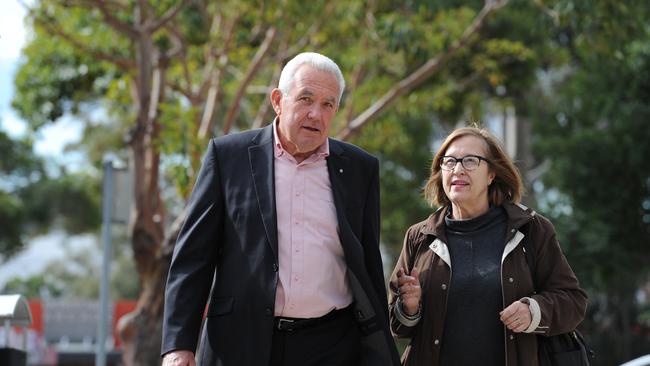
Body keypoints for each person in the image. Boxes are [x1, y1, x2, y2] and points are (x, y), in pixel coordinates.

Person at [161, 52, 400, 366]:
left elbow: (367, 262)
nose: (316, 114)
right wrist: (178, 345)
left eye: (328, 104)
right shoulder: (228, 157)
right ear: (278, 100)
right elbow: (192, 259)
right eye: (306, 99)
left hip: (332, 345)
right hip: (240, 343)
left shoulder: (359, 168)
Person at [388, 126, 588, 366]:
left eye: (470, 161)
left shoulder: (531, 229)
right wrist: (409, 308)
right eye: (449, 161)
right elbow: (396, 326)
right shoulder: (419, 237)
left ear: (492, 174)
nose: (458, 169)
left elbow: (573, 301)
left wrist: (533, 311)